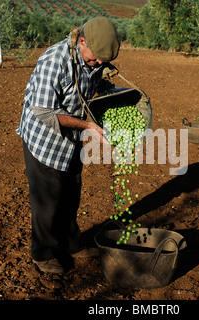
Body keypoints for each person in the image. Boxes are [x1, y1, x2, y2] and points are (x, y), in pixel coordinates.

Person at [16, 17, 121, 274]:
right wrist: (88, 126)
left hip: (72, 138)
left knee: (71, 194)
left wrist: (112, 92)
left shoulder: (93, 56)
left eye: (103, 61)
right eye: (96, 58)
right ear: (82, 41)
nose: (98, 63)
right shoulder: (55, 60)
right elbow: (43, 111)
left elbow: (95, 81)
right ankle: (44, 253)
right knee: (49, 200)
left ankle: (72, 244)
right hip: (45, 139)